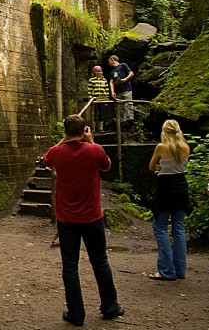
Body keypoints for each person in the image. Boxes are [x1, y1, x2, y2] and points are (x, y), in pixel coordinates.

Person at [42, 114, 124, 326]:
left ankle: (76, 314)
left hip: (67, 219)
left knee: (70, 265)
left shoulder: (57, 152)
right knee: (100, 261)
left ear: (65, 132)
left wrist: (63, 140)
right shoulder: (94, 150)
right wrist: (91, 141)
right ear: (84, 131)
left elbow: (46, 160)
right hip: (92, 216)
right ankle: (110, 306)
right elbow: (106, 166)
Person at [147, 119, 191, 280]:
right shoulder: (185, 148)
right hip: (181, 187)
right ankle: (180, 269)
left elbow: (152, 166)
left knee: (160, 227)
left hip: (165, 188)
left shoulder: (161, 147)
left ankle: (166, 270)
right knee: (179, 228)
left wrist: (161, 167)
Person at [108, 55, 134, 128]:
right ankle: (122, 125)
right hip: (118, 91)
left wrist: (125, 79)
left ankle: (130, 124)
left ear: (112, 59)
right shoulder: (112, 72)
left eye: (109, 61)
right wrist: (112, 92)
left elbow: (131, 73)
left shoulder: (123, 65)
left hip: (126, 89)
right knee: (120, 109)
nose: (109, 63)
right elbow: (111, 82)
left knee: (128, 106)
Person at [87, 66, 110, 131]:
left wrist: (107, 99)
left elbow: (107, 90)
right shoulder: (92, 80)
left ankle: (101, 128)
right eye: (97, 71)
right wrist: (90, 99)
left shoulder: (104, 80)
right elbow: (90, 90)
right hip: (95, 100)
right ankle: (94, 128)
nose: (99, 72)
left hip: (103, 99)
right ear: (94, 72)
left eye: (100, 71)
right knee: (95, 114)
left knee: (102, 114)